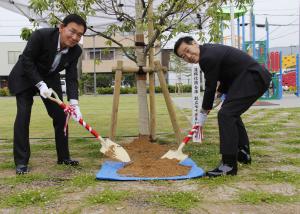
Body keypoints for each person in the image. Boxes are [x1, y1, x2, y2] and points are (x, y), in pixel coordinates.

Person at [174, 36, 271, 177]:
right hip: (249, 77)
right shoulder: (209, 51)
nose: (188, 56)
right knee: (230, 113)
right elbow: (227, 72)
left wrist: (203, 112)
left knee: (226, 114)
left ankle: (228, 165)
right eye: (183, 56)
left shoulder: (207, 57)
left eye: (188, 50)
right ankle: (242, 153)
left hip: (252, 77)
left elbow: (210, 86)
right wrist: (220, 94)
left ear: (194, 43)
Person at [8, 14, 87, 174]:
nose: (75, 37)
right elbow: (27, 60)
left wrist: (74, 104)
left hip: (50, 78)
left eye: (79, 34)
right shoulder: (41, 35)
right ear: (61, 27)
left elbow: (72, 78)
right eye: (72, 31)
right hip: (25, 75)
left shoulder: (76, 51)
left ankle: (64, 157)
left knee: (61, 115)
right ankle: (21, 162)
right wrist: (40, 84)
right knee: (24, 114)